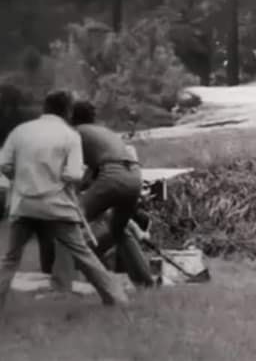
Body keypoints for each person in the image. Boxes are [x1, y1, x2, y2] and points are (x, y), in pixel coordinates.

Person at [0, 90, 128, 310]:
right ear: (68, 111)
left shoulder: (20, 132)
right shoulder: (70, 136)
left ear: (45, 107)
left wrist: (23, 179)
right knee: (83, 254)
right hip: (56, 206)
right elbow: (74, 175)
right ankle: (116, 299)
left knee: (10, 259)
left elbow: (5, 165)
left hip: (23, 205)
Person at [49, 100, 154, 288]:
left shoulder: (76, 133)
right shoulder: (103, 132)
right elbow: (94, 170)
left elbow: (74, 171)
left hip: (112, 175)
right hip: (134, 176)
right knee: (118, 230)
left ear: (71, 117)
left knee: (66, 222)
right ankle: (145, 283)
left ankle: (61, 287)